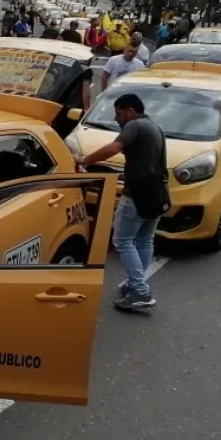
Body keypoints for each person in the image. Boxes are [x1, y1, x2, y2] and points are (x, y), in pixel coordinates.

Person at [73, 93, 166, 310]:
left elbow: (113, 149)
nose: (116, 119)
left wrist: (84, 159)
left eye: (118, 113)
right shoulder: (154, 127)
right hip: (157, 192)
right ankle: (137, 284)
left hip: (136, 194)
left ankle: (140, 292)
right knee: (144, 240)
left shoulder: (134, 126)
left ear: (131, 111)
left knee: (122, 240)